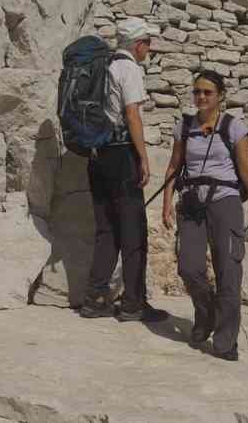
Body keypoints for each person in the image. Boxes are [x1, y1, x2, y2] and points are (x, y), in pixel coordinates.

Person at [161, 70, 248, 361]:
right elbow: (174, 166)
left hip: (225, 202)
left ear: (220, 95)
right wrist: (166, 202)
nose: (201, 97)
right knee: (188, 266)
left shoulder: (234, 127)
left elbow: (247, 171)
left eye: (207, 92)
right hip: (192, 203)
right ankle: (206, 314)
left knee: (228, 271)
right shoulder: (184, 127)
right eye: (197, 91)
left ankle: (225, 343)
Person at [78, 18, 169, 322]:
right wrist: (143, 157)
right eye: (148, 43)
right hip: (121, 154)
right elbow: (132, 114)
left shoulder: (99, 66)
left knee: (106, 230)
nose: (150, 49)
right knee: (133, 230)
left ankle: (94, 299)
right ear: (138, 44)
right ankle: (133, 304)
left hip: (96, 155)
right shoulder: (128, 68)